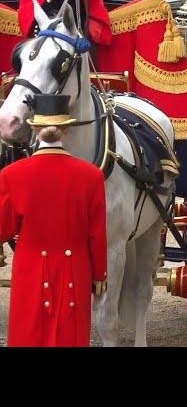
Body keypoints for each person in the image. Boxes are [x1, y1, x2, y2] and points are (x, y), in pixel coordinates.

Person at [0, 94, 108, 347]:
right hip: (75, 269)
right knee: (70, 335)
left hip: (30, 269)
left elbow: (3, 229)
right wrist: (100, 274)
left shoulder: (11, 175)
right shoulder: (91, 176)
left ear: (34, 129)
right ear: (66, 130)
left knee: (29, 333)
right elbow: (97, 233)